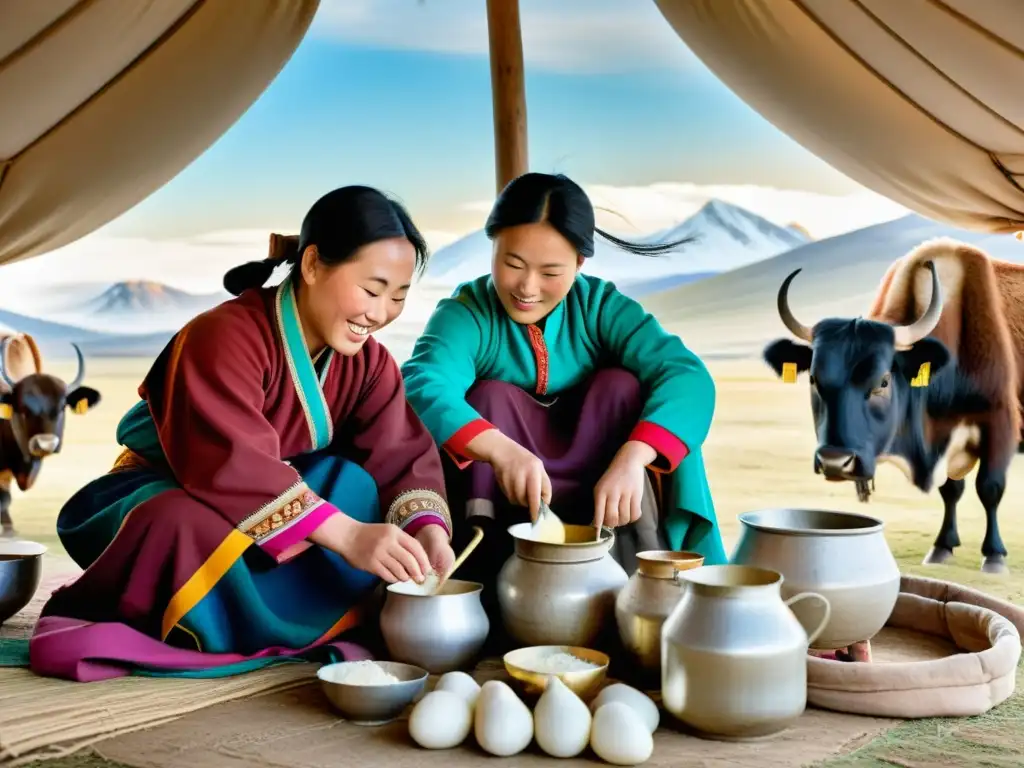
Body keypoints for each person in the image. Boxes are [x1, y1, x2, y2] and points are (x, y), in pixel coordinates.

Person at [30, 186, 455, 682]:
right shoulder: (221, 335)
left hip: (273, 512)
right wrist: (350, 536)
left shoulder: (369, 364)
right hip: (160, 492)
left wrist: (426, 531)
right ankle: (243, 622)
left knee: (354, 484)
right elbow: (230, 462)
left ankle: (270, 617)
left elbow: (400, 452)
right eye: (371, 289)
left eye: (398, 297)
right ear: (314, 265)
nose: (379, 313)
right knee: (182, 523)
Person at [400, 172, 727, 616]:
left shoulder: (601, 307)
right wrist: (500, 450)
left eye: (551, 271)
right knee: (488, 396)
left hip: (606, 476)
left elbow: (687, 376)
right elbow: (424, 382)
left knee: (622, 388)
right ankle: (489, 599)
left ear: (579, 266)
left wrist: (635, 458)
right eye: (512, 264)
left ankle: (650, 590)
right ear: (492, 244)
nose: (527, 287)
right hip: (504, 488)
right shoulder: (467, 313)